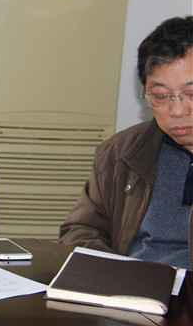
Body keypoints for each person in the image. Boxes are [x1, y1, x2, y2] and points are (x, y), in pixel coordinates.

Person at [58, 15, 193, 270]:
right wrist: (119, 274)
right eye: (161, 96)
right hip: (134, 286)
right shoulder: (119, 153)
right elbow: (81, 230)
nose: (177, 110)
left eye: (191, 93)